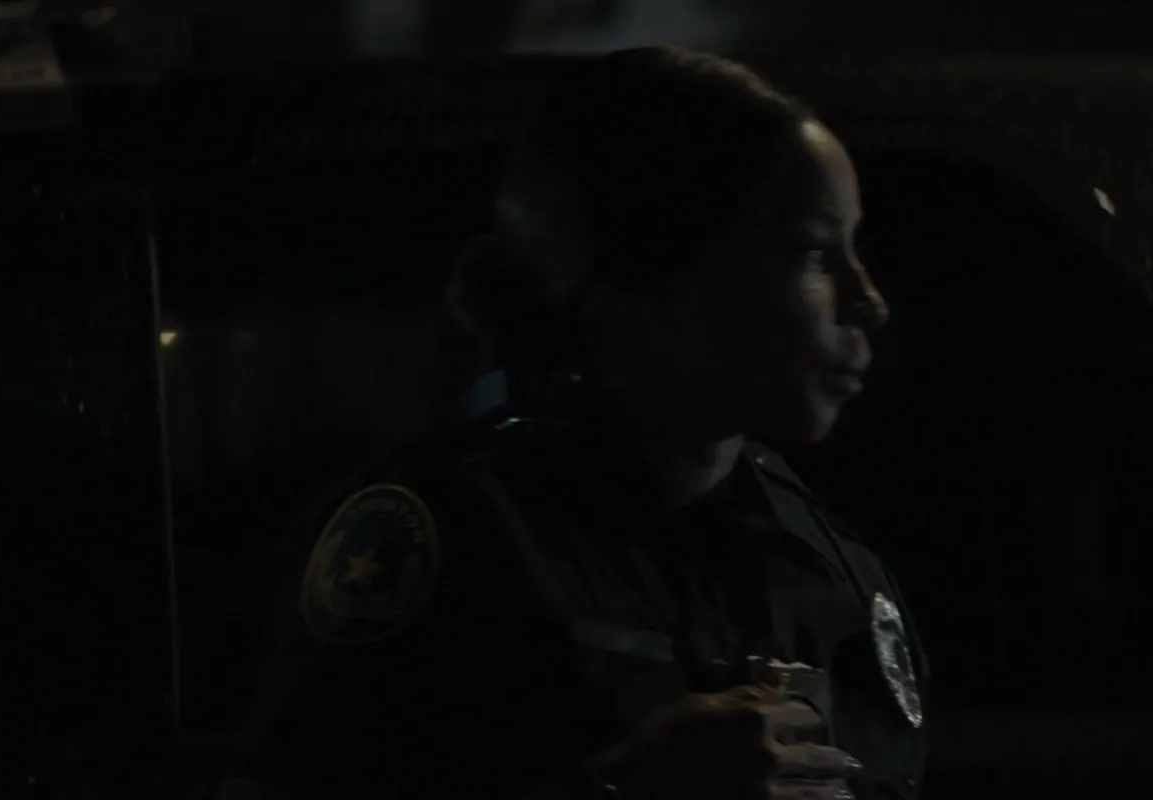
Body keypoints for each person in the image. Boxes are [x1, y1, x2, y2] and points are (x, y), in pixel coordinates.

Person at [236, 46, 926, 800]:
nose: (869, 301)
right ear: (653, 275)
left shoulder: (825, 557)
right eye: (814, 254)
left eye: (853, 249)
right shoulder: (450, 541)